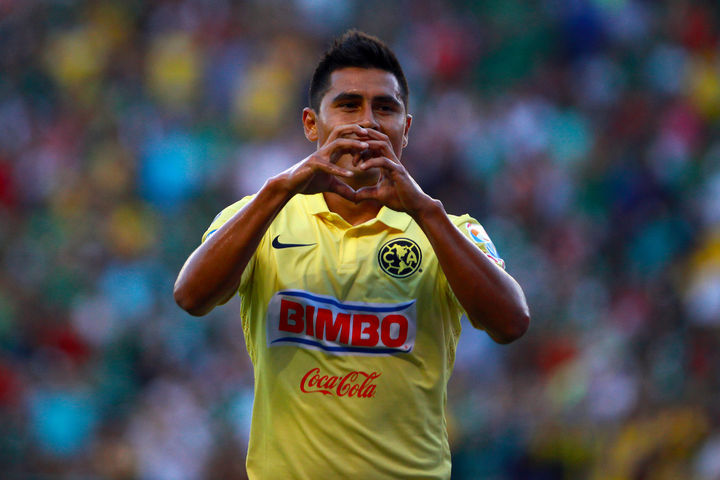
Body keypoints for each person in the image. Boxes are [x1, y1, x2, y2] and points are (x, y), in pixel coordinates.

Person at [174, 30, 530, 480]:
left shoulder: (449, 230)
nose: (367, 122)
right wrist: (279, 190)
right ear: (311, 124)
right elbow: (191, 296)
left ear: (406, 129)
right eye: (348, 105)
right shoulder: (259, 216)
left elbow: (511, 323)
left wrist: (425, 211)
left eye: (385, 108)